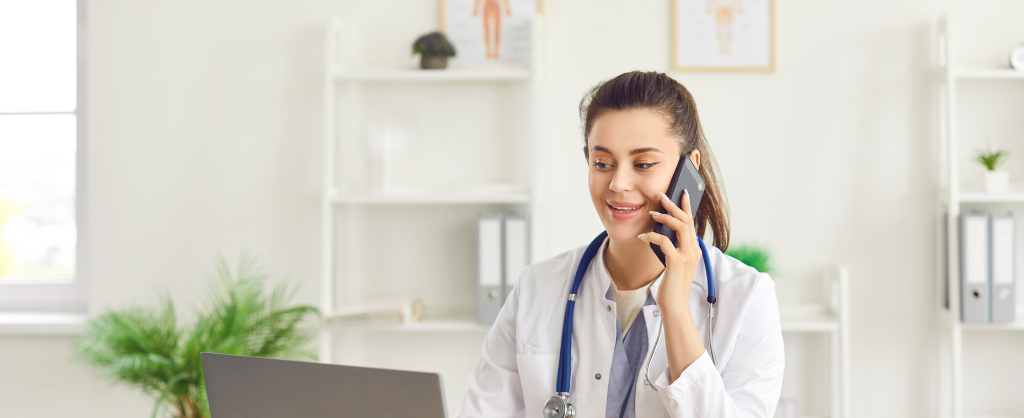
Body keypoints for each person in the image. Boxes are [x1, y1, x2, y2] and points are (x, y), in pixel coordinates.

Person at [456, 71, 784, 417]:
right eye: (602, 163)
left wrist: (674, 307)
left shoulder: (748, 298)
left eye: (643, 164)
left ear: (690, 169)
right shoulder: (536, 288)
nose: (618, 183)